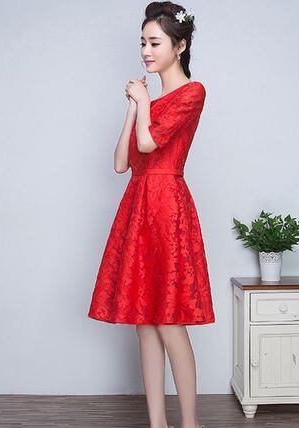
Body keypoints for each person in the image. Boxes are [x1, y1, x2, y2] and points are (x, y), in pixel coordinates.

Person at [88, 2, 215, 427]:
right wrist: (133, 108)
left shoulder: (192, 93)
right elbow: (121, 163)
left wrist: (142, 101)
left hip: (167, 206)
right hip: (138, 205)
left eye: (155, 42)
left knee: (168, 321)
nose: (145, 50)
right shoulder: (151, 102)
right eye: (142, 42)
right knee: (143, 322)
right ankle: (157, 423)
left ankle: (190, 423)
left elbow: (148, 145)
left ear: (180, 46)